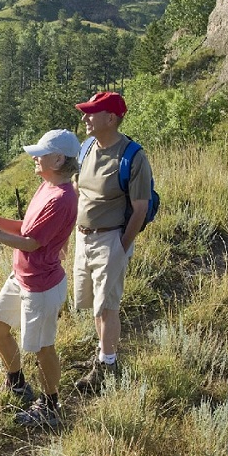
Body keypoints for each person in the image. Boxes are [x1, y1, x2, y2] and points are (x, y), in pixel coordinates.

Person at [0, 128, 81, 429]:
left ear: (58, 159)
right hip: (22, 277)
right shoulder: (47, 186)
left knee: (43, 347)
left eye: (40, 154)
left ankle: (50, 406)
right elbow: (26, 227)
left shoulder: (62, 198)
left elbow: (33, 242)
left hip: (41, 286)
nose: (34, 157)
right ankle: (18, 383)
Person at [69, 91, 153, 394]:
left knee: (108, 305)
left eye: (92, 113)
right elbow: (78, 184)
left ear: (111, 118)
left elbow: (140, 208)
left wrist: (121, 246)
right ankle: (102, 356)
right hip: (83, 237)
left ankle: (108, 365)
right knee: (93, 302)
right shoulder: (87, 147)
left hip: (110, 238)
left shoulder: (132, 156)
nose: (85, 118)